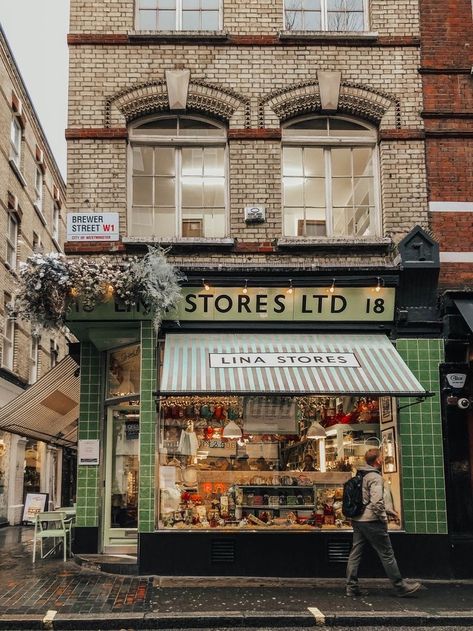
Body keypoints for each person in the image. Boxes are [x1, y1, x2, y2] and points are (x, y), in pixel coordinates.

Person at [346, 448, 422, 598]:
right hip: (372, 521)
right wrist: (383, 517)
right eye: (382, 457)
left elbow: (367, 498)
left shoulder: (360, 474)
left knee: (355, 553)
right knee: (387, 554)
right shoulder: (375, 477)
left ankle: (351, 587)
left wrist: (389, 510)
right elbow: (376, 502)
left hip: (358, 520)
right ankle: (400, 587)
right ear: (378, 461)